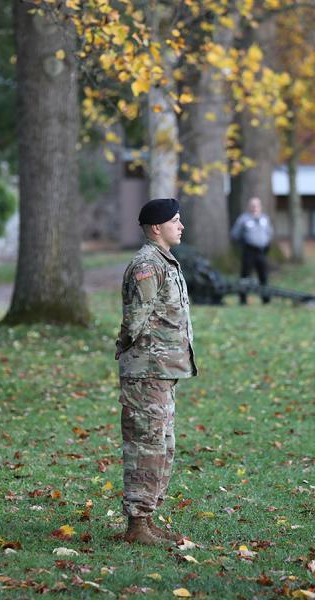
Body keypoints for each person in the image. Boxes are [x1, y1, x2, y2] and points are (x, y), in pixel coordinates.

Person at [115, 197, 197, 546]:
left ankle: (147, 518)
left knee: (163, 444)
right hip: (146, 370)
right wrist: (124, 345)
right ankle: (137, 525)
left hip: (161, 369)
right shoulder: (147, 265)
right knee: (146, 445)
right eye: (175, 221)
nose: (181, 226)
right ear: (155, 228)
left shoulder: (165, 261)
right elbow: (135, 318)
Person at [230, 197, 274, 304]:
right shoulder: (243, 219)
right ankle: (243, 300)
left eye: (257, 205)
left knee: (263, 276)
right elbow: (235, 234)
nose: (255, 207)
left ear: (260, 207)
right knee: (245, 276)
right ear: (249, 207)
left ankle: (266, 300)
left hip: (262, 251)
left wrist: (267, 243)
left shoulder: (265, 218)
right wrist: (243, 244)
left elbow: (269, 232)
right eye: (252, 205)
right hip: (249, 251)